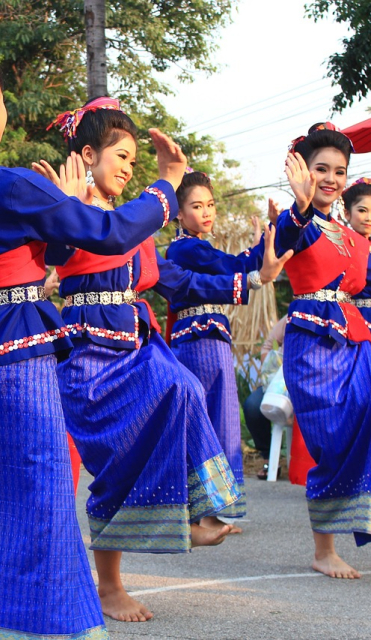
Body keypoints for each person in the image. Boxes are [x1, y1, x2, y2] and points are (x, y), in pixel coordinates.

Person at [0, 25, 186, 638]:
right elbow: (113, 235)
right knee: (41, 503)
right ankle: (51, 627)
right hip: (18, 361)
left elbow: (39, 255)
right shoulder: (8, 183)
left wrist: (62, 204)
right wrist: (166, 187)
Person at [37, 97, 288, 621]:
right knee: (114, 462)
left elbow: (181, 279)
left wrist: (274, 244)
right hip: (88, 352)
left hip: (136, 344)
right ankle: (108, 585)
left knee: (185, 390)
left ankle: (197, 512)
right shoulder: (69, 205)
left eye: (134, 159)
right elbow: (52, 258)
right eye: (120, 156)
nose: (129, 168)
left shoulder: (130, 220)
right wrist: (64, 208)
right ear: (87, 155)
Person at [275, 122, 371, 579]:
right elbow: (280, 247)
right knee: (331, 441)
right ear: (304, 171)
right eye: (321, 169)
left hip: (354, 341)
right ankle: (324, 550)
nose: (331, 179)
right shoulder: (296, 220)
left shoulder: (354, 236)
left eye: (339, 171)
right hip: (312, 347)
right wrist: (298, 203)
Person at [164, 171, 269, 529]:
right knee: (213, 419)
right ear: (179, 212)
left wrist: (257, 250)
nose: (206, 212)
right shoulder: (188, 248)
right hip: (202, 341)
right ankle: (206, 511)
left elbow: (230, 267)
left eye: (210, 205)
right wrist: (260, 251)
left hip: (202, 338)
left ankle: (206, 509)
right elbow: (232, 268)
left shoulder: (191, 247)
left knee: (211, 419)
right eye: (197, 206)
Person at [242, 315, 288, 479]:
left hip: (309, 381)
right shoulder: (291, 317)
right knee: (253, 406)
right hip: (279, 381)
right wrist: (272, 368)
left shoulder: (329, 312)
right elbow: (268, 346)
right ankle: (268, 458)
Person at [344, 177, 371, 328]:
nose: (369, 218)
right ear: (347, 213)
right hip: (349, 319)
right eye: (362, 210)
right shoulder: (339, 247)